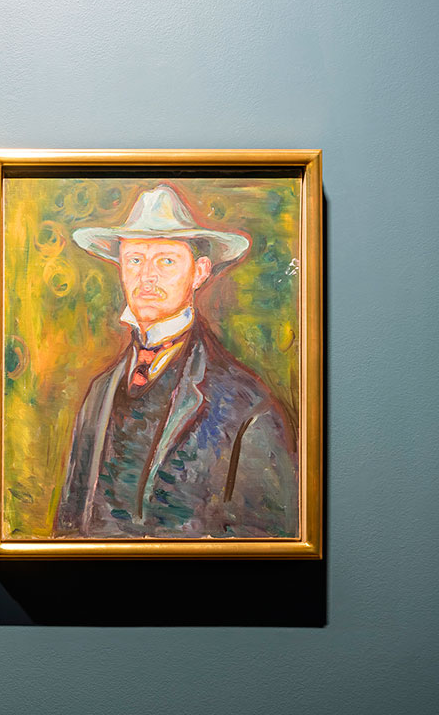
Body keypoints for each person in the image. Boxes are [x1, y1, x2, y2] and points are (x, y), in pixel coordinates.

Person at [53, 184, 298, 538]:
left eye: (165, 261)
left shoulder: (246, 405)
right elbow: (68, 525)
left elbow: (267, 543)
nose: (147, 276)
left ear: (199, 272)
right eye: (135, 260)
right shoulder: (99, 393)